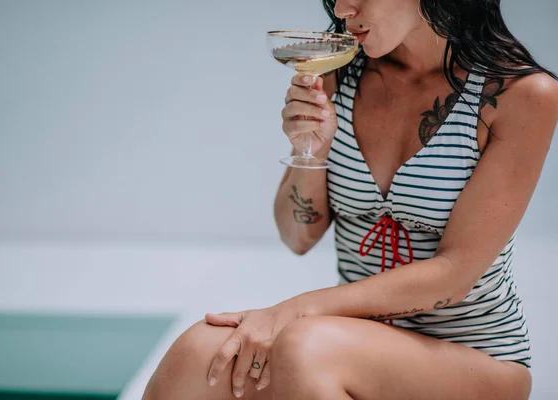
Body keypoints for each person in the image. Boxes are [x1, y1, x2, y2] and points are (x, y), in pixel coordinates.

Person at [143, 0, 558, 398]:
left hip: (474, 360)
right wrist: (312, 153)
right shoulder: (337, 73)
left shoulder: (522, 95)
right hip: (344, 344)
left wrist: (292, 312)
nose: (342, 9)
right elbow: (297, 238)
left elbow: (454, 275)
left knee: (307, 345)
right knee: (196, 353)